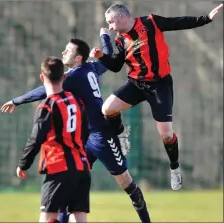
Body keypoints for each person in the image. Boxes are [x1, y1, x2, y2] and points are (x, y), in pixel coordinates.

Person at [2, 39, 151, 223]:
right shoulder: (90, 68)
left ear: (79, 57)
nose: (63, 52)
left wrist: (17, 100)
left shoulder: (73, 77)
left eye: (68, 50)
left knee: (127, 184)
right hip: (84, 139)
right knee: (70, 186)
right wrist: (104, 38)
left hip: (102, 136)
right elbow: (106, 59)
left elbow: (45, 89)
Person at [89, 3, 223, 191]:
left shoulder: (151, 22)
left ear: (121, 17)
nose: (109, 27)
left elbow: (178, 22)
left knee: (166, 135)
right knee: (107, 108)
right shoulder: (121, 40)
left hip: (159, 85)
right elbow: (116, 66)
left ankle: (174, 167)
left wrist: (206, 19)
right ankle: (121, 133)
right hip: (136, 84)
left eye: (110, 22)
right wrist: (102, 56)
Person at [16, 56, 91, 223]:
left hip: (59, 168)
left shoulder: (47, 106)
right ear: (64, 77)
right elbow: (85, 132)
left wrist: (23, 164)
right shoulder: (77, 101)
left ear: (42, 77)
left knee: (48, 217)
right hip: (82, 167)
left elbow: (35, 139)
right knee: (79, 217)